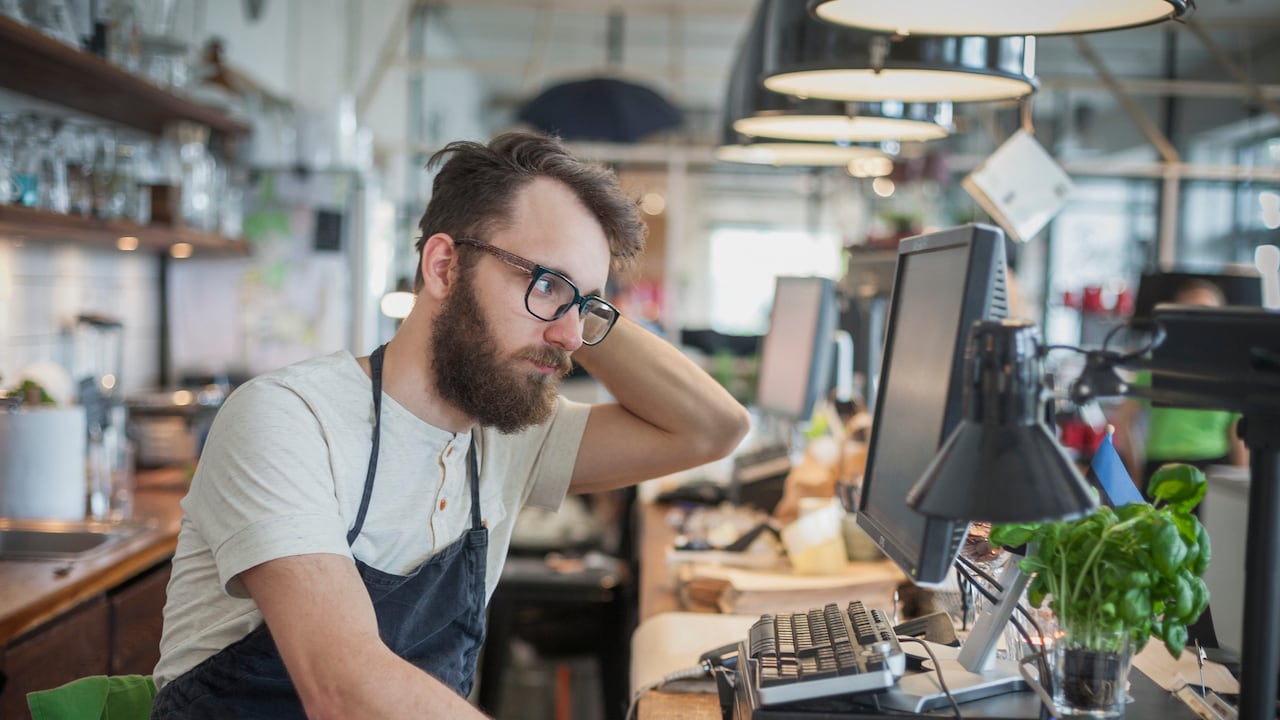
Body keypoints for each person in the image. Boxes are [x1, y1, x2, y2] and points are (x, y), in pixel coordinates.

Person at [149, 132, 752, 718]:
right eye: (542, 283)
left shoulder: (510, 437)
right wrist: (566, 298)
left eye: (585, 307)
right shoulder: (288, 420)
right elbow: (345, 690)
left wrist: (569, 307)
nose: (571, 339)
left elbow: (712, 429)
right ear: (443, 267)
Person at [1111, 278, 1248, 490]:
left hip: (1212, 468)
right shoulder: (1156, 363)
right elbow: (1124, 418)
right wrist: (1135, 468)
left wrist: (1241, 483)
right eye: (1191, 311)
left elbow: (1237, 433)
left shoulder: (1228, 370)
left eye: (1206, 311)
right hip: (1160, 467)